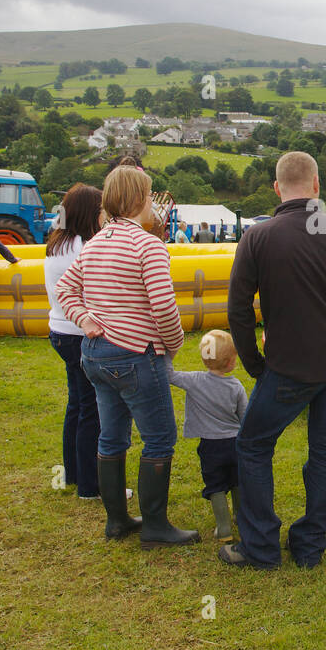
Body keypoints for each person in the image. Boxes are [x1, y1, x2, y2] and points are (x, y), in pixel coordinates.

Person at [223, 151, 326, 569]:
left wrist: (254, 362)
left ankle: (260, 548)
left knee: (254, 445)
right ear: (315, 186)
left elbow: (238, 309)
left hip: (288, 366)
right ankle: (310, 547)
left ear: (277, 188)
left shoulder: (257, 237)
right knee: (325, 453)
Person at [55, 166, 195, 548]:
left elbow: (65, 288)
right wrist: (174, 343)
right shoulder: (149, 246)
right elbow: (164, 308)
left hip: (96, 355)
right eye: (149, 196)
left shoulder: (97, 241)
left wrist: (84, 319)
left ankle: (116, 520)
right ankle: (154, 526)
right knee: (160, 438)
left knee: (111, 436)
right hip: (136, 354)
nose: (152, 203)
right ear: (137, 200)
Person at [45, 184, 106, 502]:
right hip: (79, 332)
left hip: (60, 329)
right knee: (91, 411)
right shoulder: (85, 246)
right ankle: (90, 485)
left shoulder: (58, 242)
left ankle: (72, 472)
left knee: (77, 405)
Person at [168, 329, 248, 544]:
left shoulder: (194, 380)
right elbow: (245, 418)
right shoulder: (236, 387)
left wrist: (169, 351)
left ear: (204, 358)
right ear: (232, 362)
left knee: (216, 484)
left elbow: (169, 375)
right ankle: (241, 518)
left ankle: (223, 528)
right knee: (237, 480)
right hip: (234, 444)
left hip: (210, 447)